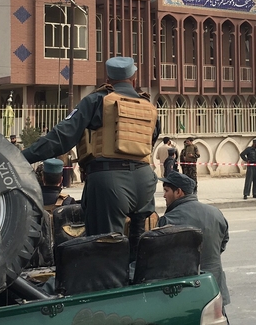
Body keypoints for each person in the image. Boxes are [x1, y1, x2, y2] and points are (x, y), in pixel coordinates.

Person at [21, 56, 160, 259]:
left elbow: (62, 137)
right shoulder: (148, 105)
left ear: (108, 79)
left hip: (110, 182)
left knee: (106, 248)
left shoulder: (97, 100)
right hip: (145, 181)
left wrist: (22, 156)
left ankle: (111, 285)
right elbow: (151, 140)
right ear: (134, 80)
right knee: (138, 242)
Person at [157, 172, 230, 320]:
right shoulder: (216, 213)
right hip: (214, 288)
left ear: (179, 192)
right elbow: (222, 243)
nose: (164, 195)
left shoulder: (168, 220)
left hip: (185, 294)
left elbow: (161, 260)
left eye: (166, 191)